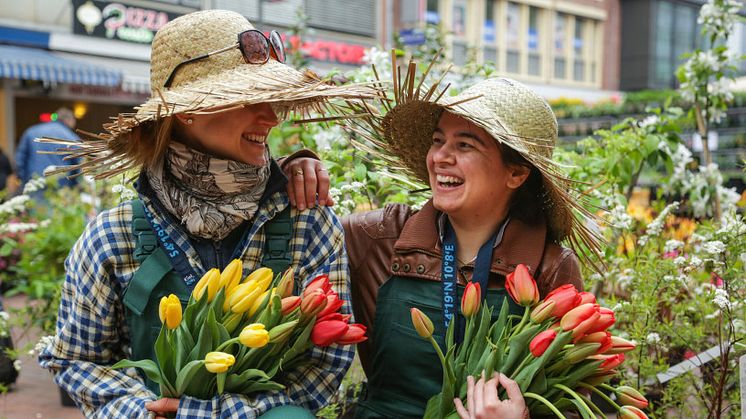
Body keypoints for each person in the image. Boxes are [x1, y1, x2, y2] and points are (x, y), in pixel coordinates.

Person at [38, 9, 375, 418]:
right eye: (250, 99)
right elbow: (78, 359)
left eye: (272, 99)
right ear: (186, 111)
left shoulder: (307, 221)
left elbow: (327, 362)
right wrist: (142, 410)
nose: (271, 117)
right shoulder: (113, 237)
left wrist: (212, 414)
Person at [285, 73, 600, 418]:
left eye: (465, 145)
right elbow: (279, 229)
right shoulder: (379, 237)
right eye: (438, 141)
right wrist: (293, 169)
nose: (439, 157)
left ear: (516, 174)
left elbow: (579, 402)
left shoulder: (550, 267)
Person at [15, 107, 80, 190]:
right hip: (60, 188)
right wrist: (74, 186)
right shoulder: (71, 137)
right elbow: (79, 165)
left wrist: (23, 181)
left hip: (34, 183)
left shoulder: (31, 131)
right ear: (70, 121)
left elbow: (20, 159)